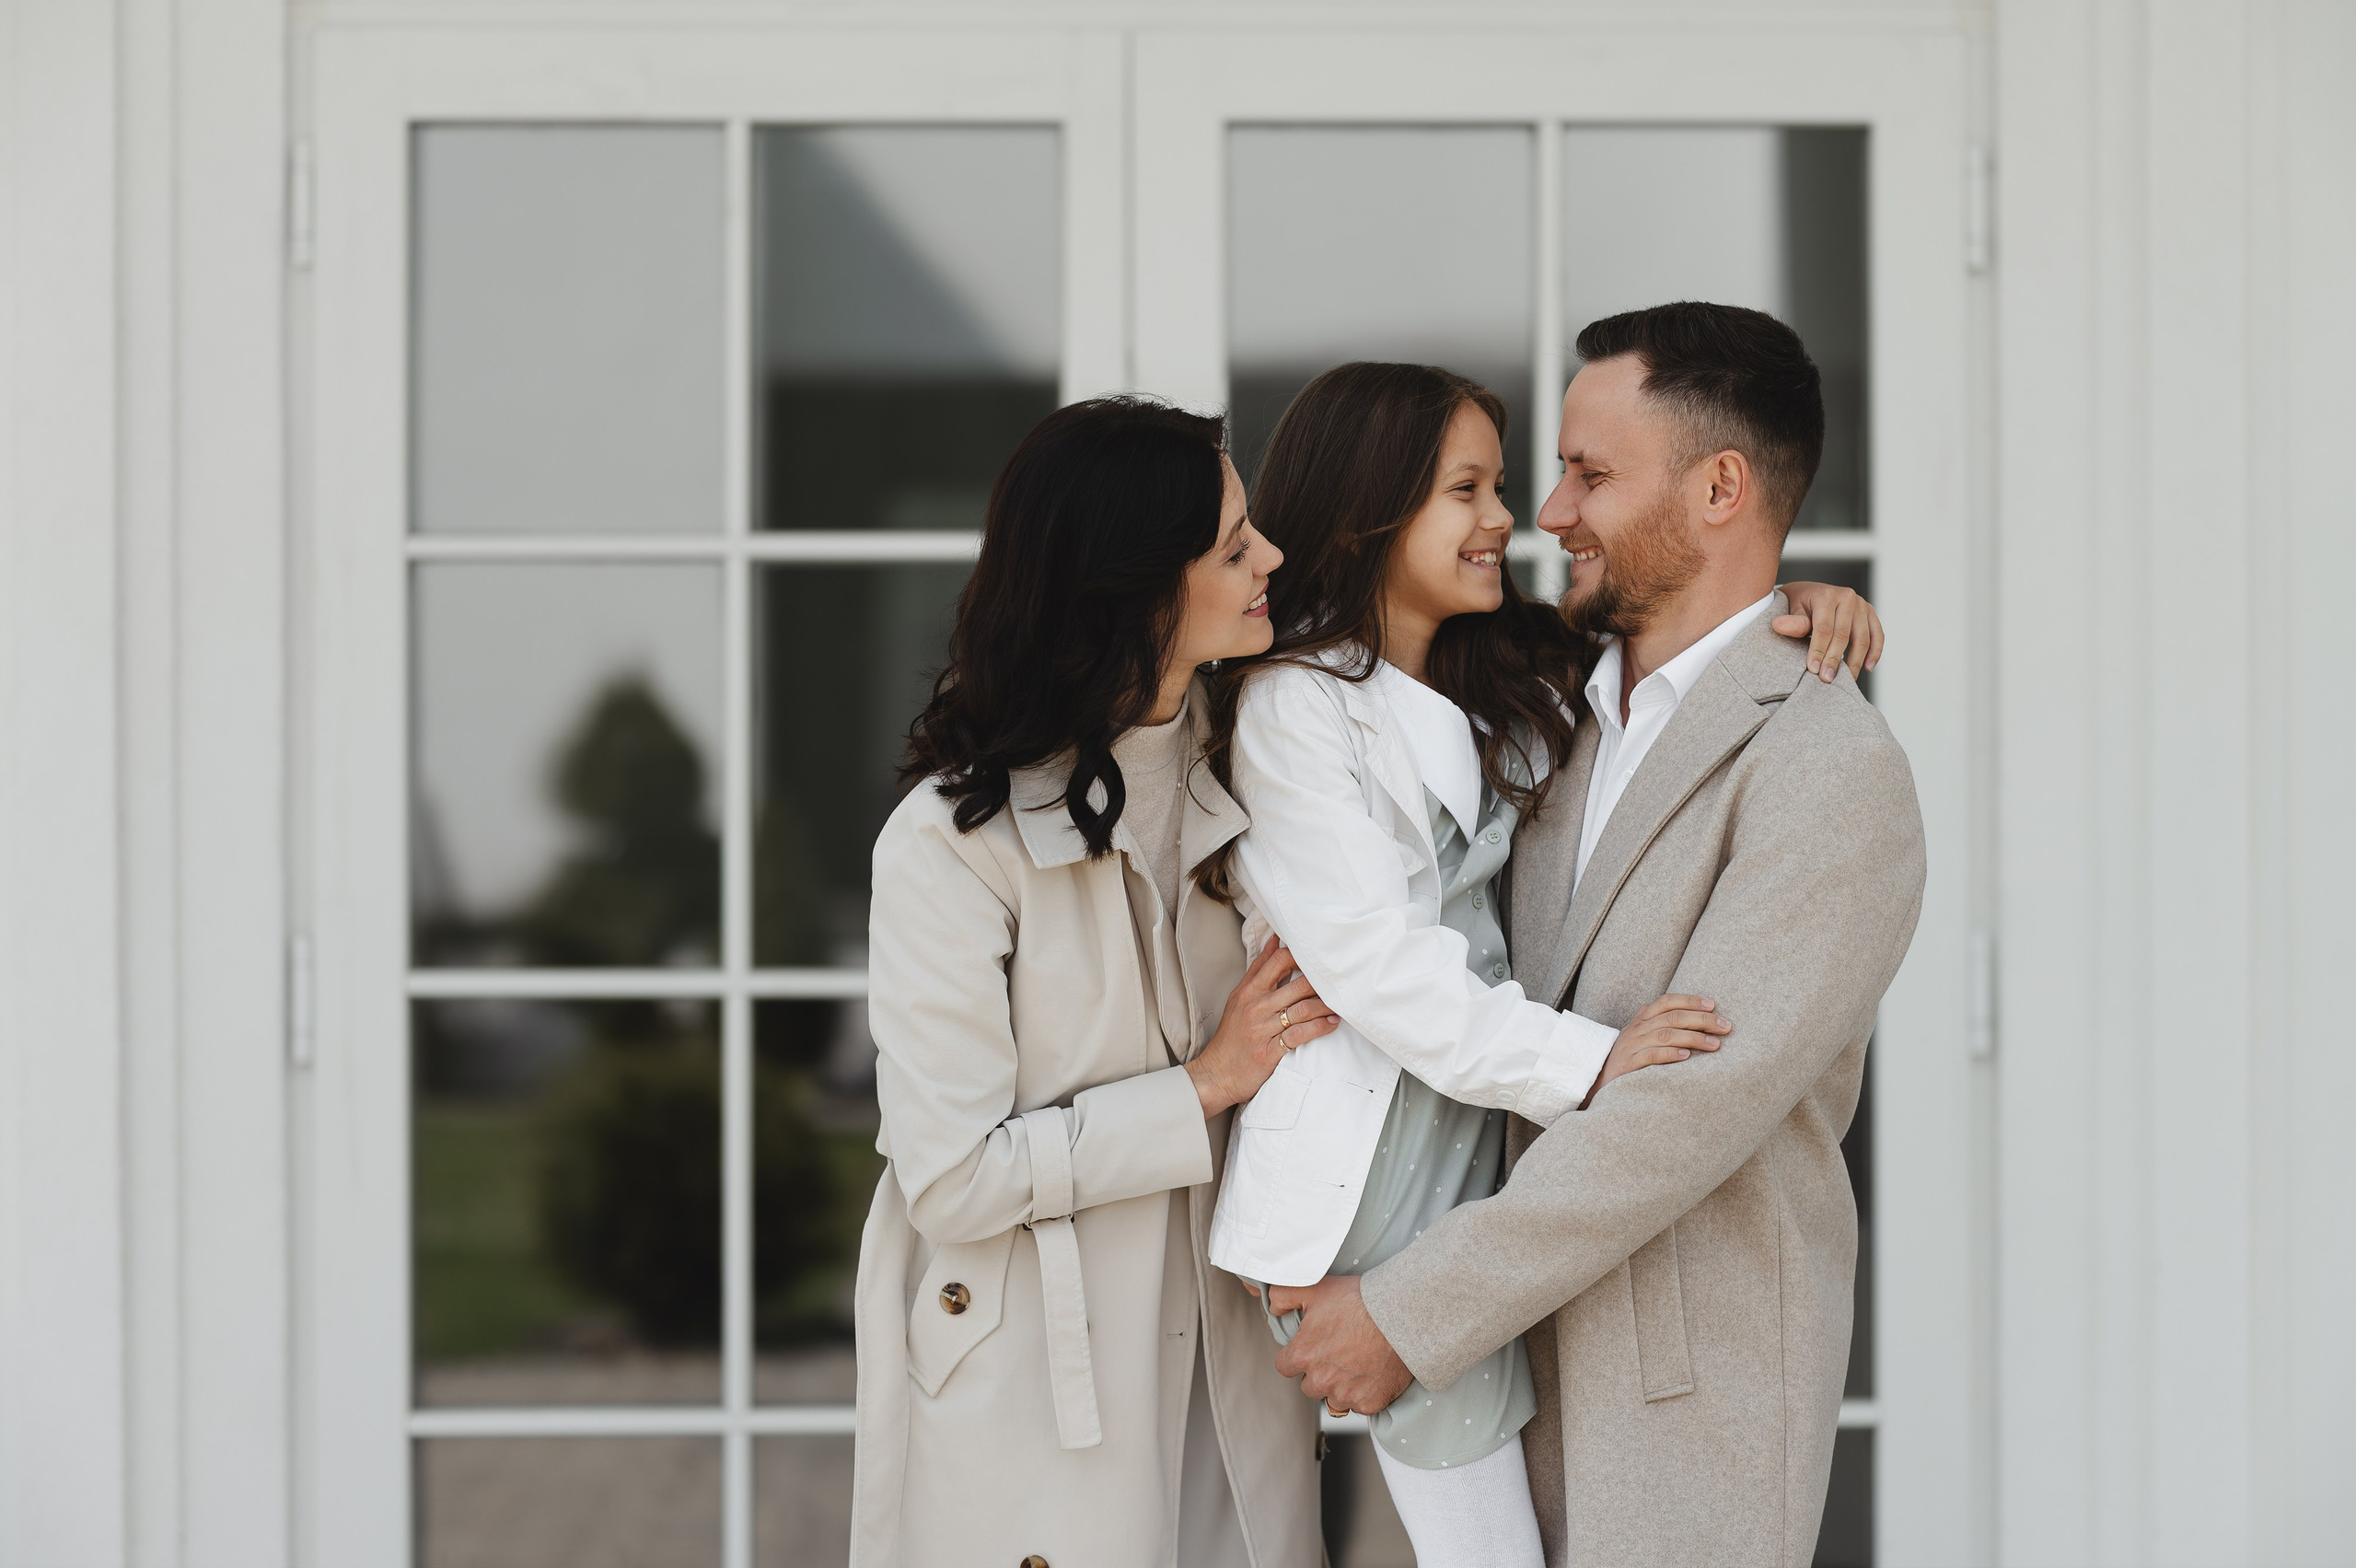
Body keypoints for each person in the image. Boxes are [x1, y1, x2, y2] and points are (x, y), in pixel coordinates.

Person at [1265, 305, 1928, 1568]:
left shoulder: (1827, 766)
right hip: (1487, 1355)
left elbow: (1680, 1106)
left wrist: (1409, 1313)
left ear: (1720, 486)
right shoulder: (1535, 699)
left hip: (1672, 1386)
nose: (1546, 512)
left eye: (1589, 472)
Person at [850, 396, 1340, 1566]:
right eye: (1232, 545)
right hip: (1034, 1383)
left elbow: (1471, 681)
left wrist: (1771, 609)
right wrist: (1204, 1084)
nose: (1271, 557)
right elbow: (954, 1178)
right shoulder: (949, 842)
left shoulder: (1277, 753)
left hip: (1231, 1355)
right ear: (1135, 590)